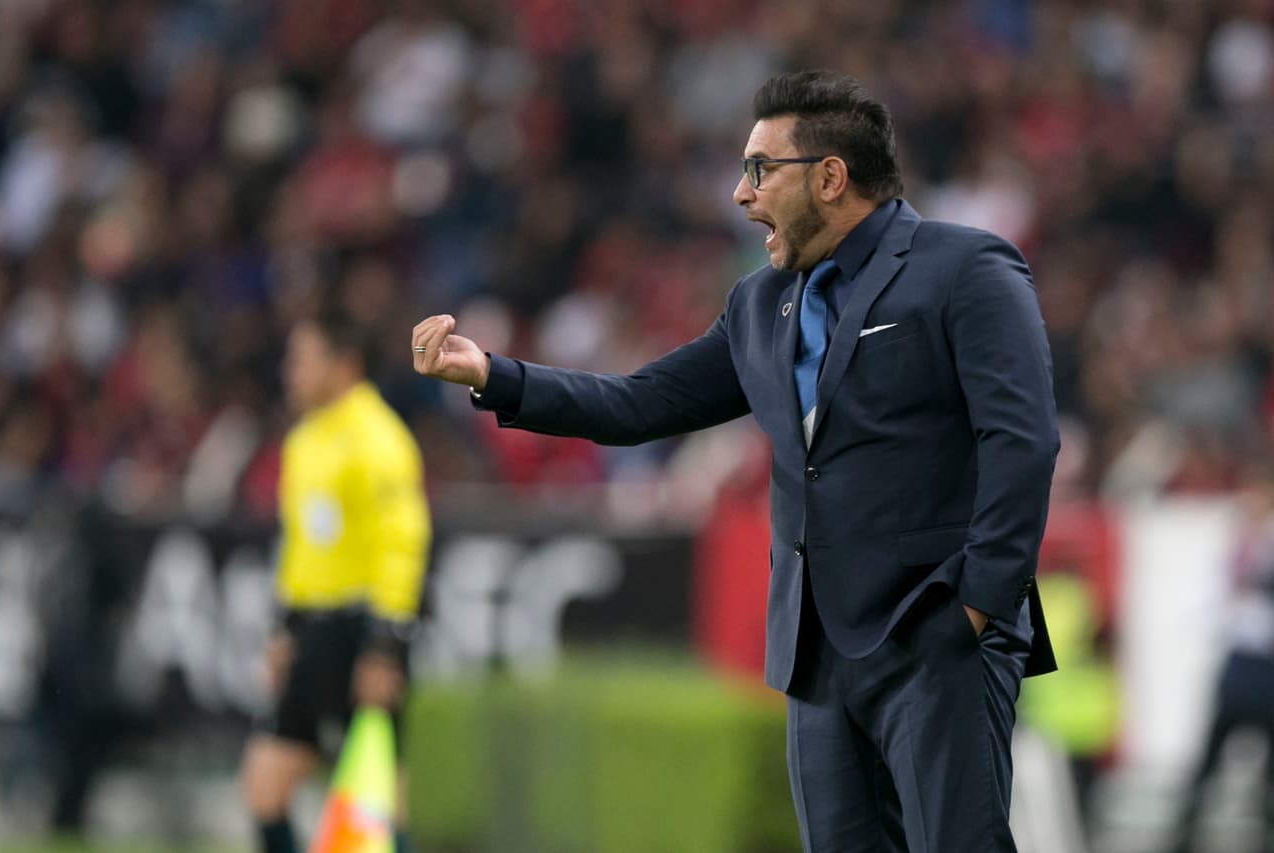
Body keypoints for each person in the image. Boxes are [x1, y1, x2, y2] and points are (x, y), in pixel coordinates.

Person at [411, 70, 1059, 852]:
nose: (740, 195)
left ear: (829, 177)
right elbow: (638, 404)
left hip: (935, 635)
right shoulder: (759, 303)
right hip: (815, 654)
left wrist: (977, 610)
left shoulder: (966, 268)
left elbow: (1021, 440)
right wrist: (493, 373)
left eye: (760, 169)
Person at [240, 307, 430, 853]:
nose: (289, 371)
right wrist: (285, 628)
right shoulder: (305, 440)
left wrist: (385, 647)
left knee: (376, 798)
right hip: (314, 631)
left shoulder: (379, 441)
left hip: (360, 632)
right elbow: (302, 547)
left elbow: (402, 546)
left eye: (302, 359)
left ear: (343, 365)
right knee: (264, 786)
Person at [1168, 460, 1274, 853]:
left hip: (1264, 668)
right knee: (1210, 758)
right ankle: (1184, 835)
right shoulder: (1240, 544)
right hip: (1239, 664)